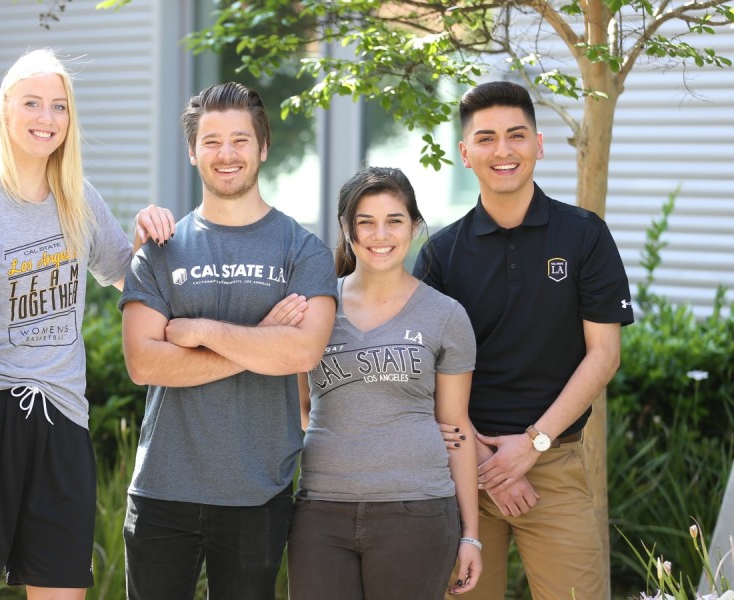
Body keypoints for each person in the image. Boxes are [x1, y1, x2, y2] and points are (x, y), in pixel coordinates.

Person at [0, 49, 171, 600]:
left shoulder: (79, 200)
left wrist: (149, 234)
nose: (46, 118)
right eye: (32, 103)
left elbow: (128, 277)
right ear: (5, 110)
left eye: (58, 106)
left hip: (63, 419)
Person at [413, 81, 634, 599]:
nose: (503, 150)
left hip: (552, 464)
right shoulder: (442, 255)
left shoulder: (585, 236)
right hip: (462, 468)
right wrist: (488, 459)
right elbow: (424, 370)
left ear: (538, 143)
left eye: (516, 135)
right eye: (486, 139)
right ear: (466, 155)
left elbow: (604, 355)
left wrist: (530, 447)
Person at [119, 81, 338, 600]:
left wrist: (202, 333)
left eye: (240, 140)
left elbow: (303, 351)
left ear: (263, 148)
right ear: (193, 152)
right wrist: (261, 341)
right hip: (161, 488)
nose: (227, 154)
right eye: (212, 141)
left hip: (256, 491)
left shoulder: (301, 249)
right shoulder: (159, 250)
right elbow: (144, 363)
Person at [287, 166, 481, 599]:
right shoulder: (313, 308)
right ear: (346, 229)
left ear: (414, 226)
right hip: (321, 511)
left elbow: (457, 428)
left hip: (417, 510)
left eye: (394, 220)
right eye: (366, 222)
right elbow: (301, 409)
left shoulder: (446, 315)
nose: (381, 234)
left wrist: (471, 534)